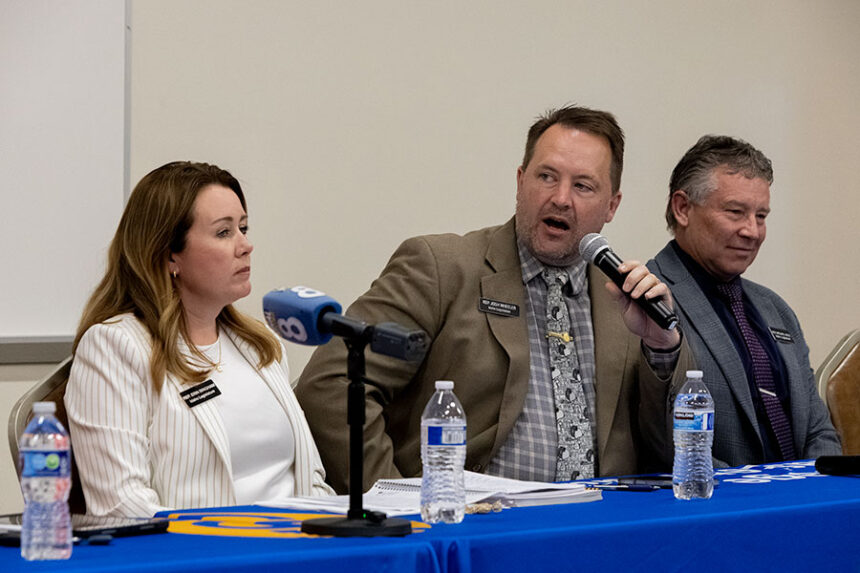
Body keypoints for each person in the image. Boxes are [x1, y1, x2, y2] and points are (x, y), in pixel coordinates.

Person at [297, 106, 695, 493]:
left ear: (612, 205)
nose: (560, 198)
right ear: (520, 181)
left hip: (594, 538)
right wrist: (401, 503)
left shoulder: (624, 300)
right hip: (473, 535)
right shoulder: (442, 268)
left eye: (582, 186)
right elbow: (332, 387)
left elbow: (672, 453)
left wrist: (661, 349)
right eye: (546, 176)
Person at [66, 161, 333, 517]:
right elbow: (122, 504)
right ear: (169, 254)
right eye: (224, 233)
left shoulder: (260, 345)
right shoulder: (115, 347)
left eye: (243, 227)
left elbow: (311, 480)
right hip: (203, 554)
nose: (246, 245)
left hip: (297, 549)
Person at [647, 135, 841, 467]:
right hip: (720, 507)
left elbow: (817, 428)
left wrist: (819, 489)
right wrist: (758, 499)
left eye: (761, 216)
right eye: (736, 212)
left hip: (802, 503)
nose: (752, 231)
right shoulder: (648, 300)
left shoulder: (774, 308)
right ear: (682, 208)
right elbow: (661, 443)